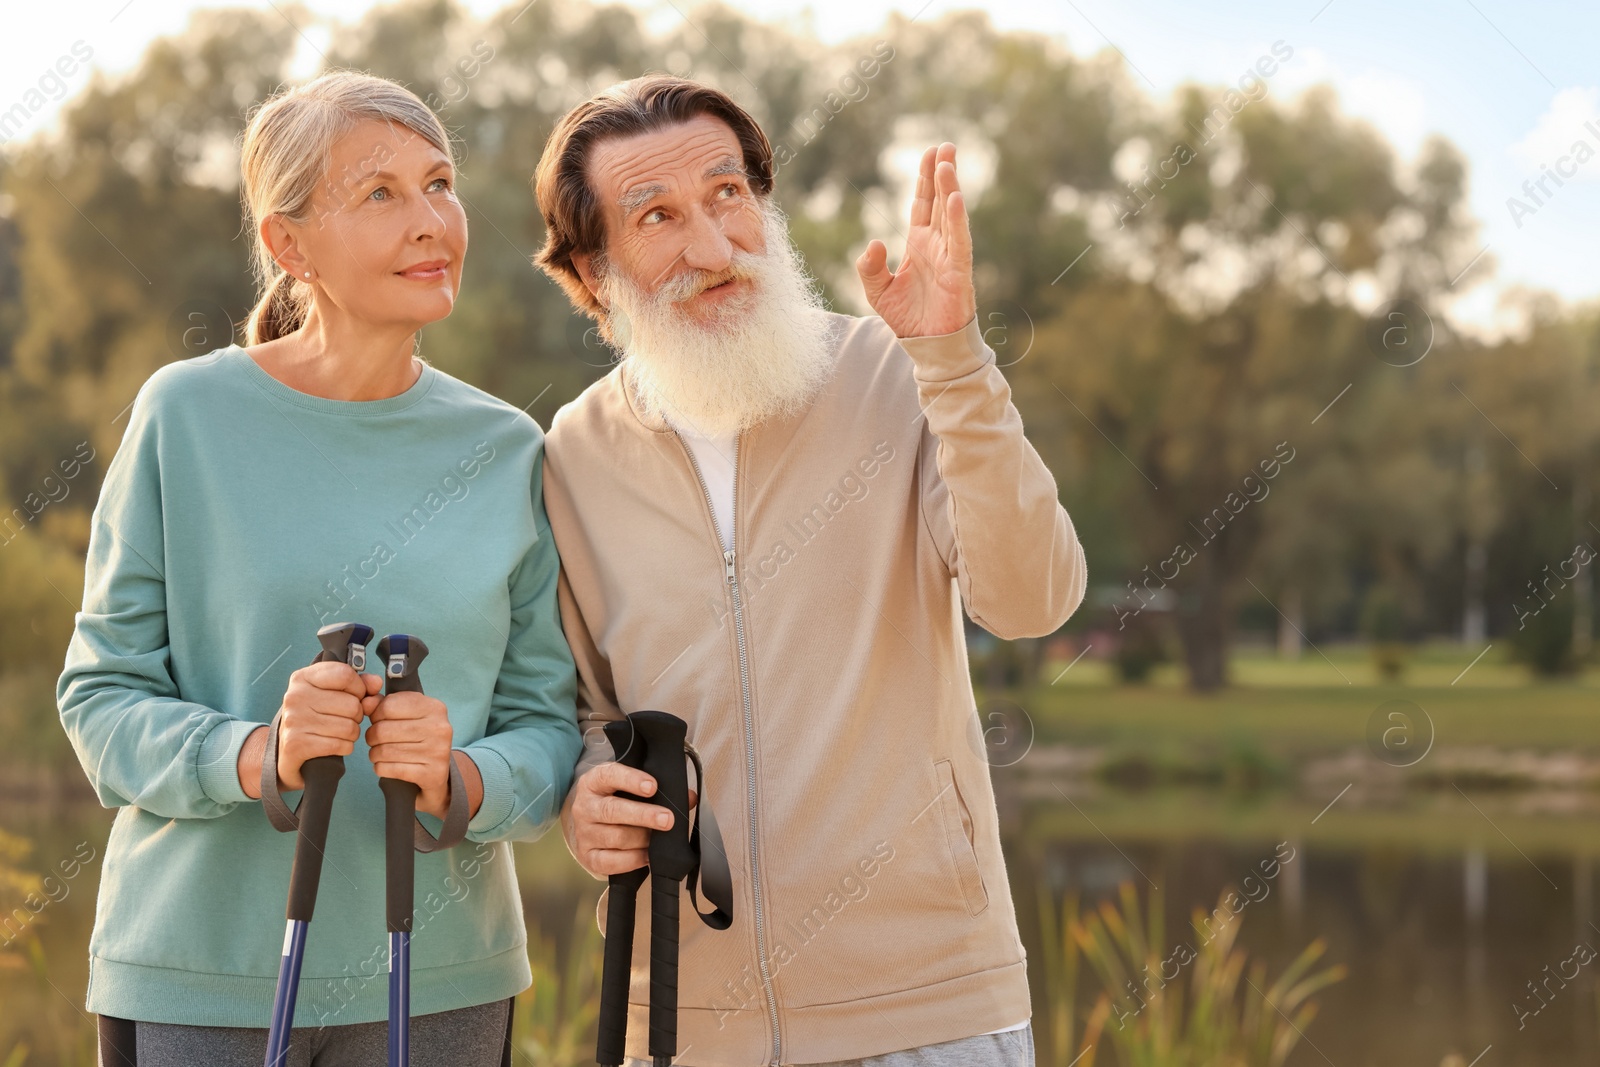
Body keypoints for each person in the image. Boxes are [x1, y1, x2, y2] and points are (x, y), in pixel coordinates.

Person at [535, 75, 1088, 1067]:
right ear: (591, 267)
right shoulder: (570, 453)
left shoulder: (899, 371)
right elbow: (579, 710)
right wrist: (583, 797)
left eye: (727, 194)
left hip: (931, 1007)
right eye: (655, 215)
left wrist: (955, 360)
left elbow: (1033, 599)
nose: (712, 246)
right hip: (681, 1023)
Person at [55, 70, 580, 1066]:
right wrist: (257, 754)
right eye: (380, 193)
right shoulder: (185, 417)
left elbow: (551, 728)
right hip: (199, 974)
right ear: (289, 245)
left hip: (442, 980)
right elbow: (101, 701)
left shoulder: (510, 447)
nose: (431, 220)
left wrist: (463, 771)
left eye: (439, 182)